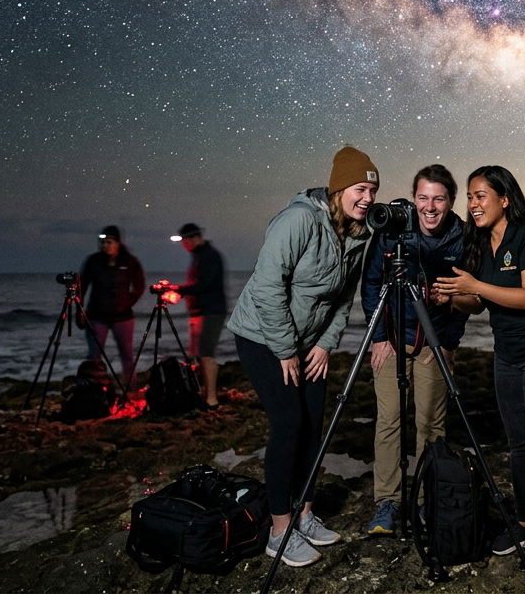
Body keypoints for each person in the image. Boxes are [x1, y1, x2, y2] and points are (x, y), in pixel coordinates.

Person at [225, 146, 378, 568]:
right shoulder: (298, 220)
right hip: (262, 336)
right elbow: (269, 286)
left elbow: (344, 298)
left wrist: (325, 344)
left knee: (314, 425)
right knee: (289, 423)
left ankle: (305, 514)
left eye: (373, 189)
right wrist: (285, 350)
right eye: (360, 188)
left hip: (308, 342)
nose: (367, 197)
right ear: (339, 188)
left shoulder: (361, 234)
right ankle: (279, 530)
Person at [434, 166, 525, 573]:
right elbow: (476, 304)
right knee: (518, 444)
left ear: (505, 198)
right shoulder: (479, 242)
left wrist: (475, 287)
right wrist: (451, 295)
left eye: (481, 196)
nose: (473, 204)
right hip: (508, 354)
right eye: (470, 197)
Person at [360, 165, 469, 535]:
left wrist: (446, 345)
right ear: (413, 198)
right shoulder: (392, 232)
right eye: (422, 197)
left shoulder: (461, 237)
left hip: (430, 345)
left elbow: (465, 298)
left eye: (439, 198)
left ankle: (426, 501)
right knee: (388, 421)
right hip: (390, 341)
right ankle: (387, 503)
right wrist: (377, 337)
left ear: (451, 201)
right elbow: (372, 282)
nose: (430, 207)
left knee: (430, 425)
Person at [79, 225, 145, 389]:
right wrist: (79, 311)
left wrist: (128, 302)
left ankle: (130, 388)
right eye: (102, 242)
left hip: (122, 317)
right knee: (94, 356)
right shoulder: (93, 261)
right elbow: (82, 287)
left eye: (109, 242)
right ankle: (94, 389)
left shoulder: (129, 261)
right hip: (96, 316)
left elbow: (140, 286)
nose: (105, 246)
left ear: (117, 243)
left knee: (127, 355)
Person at [172, 223, 228, 409]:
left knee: (206, 353)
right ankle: (204, 394)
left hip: (211, 311)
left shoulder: (209, 256)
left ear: (192, 238)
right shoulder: (199, 256)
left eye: (184, 241)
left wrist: (177, 289)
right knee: (198, 354)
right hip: (199, 312)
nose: (184, 245)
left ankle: (211, 399)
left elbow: (202, 284)